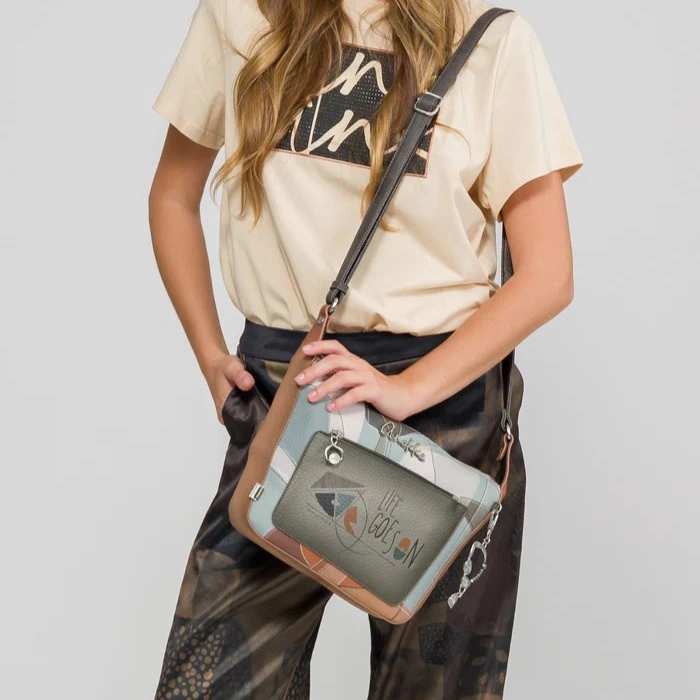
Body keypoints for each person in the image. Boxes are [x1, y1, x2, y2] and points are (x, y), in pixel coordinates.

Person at [148, 0, 583, 697]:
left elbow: (548, 273)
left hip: (445, 420)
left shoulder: (489, 37)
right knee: (207, 681)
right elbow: (174, 194)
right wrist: (210, 354)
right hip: (290, 403)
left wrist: (409, 389)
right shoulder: (242, 15)